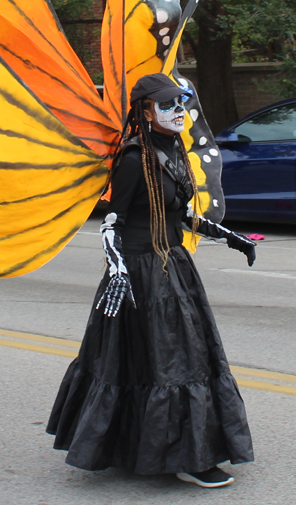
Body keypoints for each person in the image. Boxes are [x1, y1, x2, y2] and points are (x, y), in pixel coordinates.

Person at [47, 72, 255, 489]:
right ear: (145, 112)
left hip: (175, 267)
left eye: (181, 104)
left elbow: (181, 215)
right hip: (140, 274)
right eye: (167, 105)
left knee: (181, 359)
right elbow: (111, 224)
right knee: (168, 363)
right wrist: (119, 270)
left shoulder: (171, 149)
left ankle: (156, 447)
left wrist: (231, 236)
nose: (178, 112)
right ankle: (185, 457)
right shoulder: (130, 159)